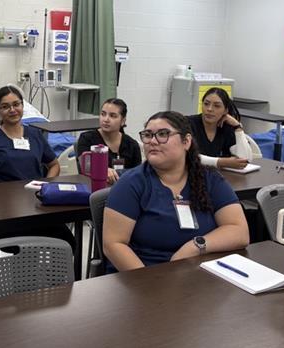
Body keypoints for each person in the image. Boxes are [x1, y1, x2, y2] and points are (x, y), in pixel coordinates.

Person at [103, 111, 249, 271]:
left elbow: (239, 231)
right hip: (147, 277)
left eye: (163, 134)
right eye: (147, 135)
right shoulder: (131, 184)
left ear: (186, 141)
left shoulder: (209, 179)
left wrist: (195, 246)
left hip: (201, 274)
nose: (152, 141)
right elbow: (113, 245)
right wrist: (148, 284)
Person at [0, 85, 74, 247]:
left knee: (68, 243)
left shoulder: (35, 134)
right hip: (6, 212)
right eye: (5, 106)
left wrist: (46, 185)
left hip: (36, 205)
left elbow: (54, 164)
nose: (12, 110)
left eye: (16, 104)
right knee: (30, 248)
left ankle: (53, 272)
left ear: (23, 106)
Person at [75, 98, 142, 184]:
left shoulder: (132, 145)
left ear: (123, 121)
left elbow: (138, 174)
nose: (106, 119)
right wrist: (102, 171)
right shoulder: (87, 139)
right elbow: (85, 167)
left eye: (112, 116)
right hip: (95, 188)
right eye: (103, 114)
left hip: (125, 189)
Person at [188, 87, 253, 170]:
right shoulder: (189, 123)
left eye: (217, 106)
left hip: (218, 176)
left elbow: (245, 159)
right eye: (206, 104)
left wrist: (237, 127)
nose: (209, 109)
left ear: (225, 111)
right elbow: (186, 156)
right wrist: (221, 162)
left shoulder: (227, 128)